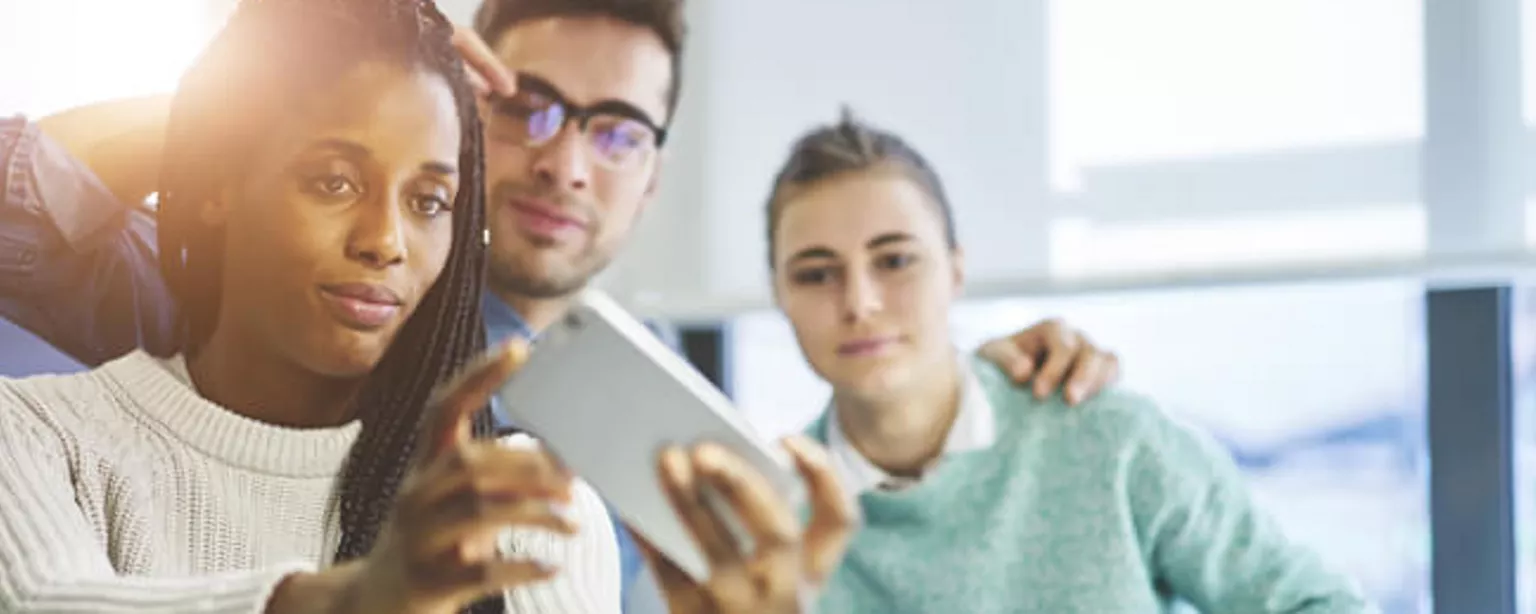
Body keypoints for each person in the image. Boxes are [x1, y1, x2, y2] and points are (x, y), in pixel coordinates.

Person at [0, 0, 1124, 605]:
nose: (567, 161)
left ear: (653, 172)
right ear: (478, 101)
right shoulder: (233, 303)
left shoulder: (639, 450)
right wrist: (279, 83)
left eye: (616, 128)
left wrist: (974, 380)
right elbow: (21, 203)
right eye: (531, 105)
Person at [760, 108, 1379, 613]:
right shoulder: (772, 525)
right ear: (779, 295)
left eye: (894, 260)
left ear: (956, 270)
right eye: (817, 274)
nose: (860, 303)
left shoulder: (1110, 441)